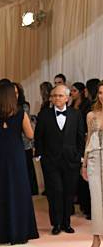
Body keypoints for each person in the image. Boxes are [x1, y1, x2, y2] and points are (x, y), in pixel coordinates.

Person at [0, 82, 38, 244]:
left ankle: (0, 234)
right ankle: (20, 231)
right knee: (19, 191)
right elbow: (30, 135)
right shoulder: (21, 114)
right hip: (16, 156)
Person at [34, 85, 85, 234]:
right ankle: (56, 224)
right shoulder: (44, 114)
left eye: (60, 96)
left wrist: (80, 156)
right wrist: (41, 155)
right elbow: (39, 137)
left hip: (71, 160)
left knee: (68, 192)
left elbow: (80, 137)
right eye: (54, 95)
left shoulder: (76, 114)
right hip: (51, 161)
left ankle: (66, 223)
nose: (57, 98)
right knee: (55, 192)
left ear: (67, 98)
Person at [82, 81, 103, 247]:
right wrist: (84, 163)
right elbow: (88, 139)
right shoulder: (91, 115)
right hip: (94, 159)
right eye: (101, 93)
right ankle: (96, 238)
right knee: (95, 200)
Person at [70, 82, 91, 218]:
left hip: (84, 142)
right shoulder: (71, 106)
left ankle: (87, 206)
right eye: (71, 90)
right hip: (73, 143)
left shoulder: (87, 107)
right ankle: (80, 201)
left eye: (74, 90)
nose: (72, 93)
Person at [13, 82, 38, 195]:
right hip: (13, 143)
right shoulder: (4, 106)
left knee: (28, 167)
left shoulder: (24, 106)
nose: (15, 95)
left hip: (24, 141)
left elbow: (26, 127)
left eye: (17, 93)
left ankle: (32, 190)